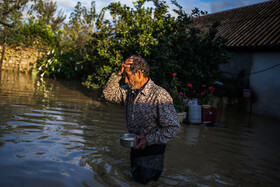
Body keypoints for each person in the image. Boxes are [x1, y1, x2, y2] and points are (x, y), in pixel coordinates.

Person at [103, 55, 180, 184]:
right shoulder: (129, 92)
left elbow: (173, 127)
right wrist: (118, 73)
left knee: (143, 183)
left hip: (152, 154)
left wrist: (148, 140)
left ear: (139, 73)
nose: (126, 81)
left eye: (128, 76)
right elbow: (108, 94)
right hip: (135, 148)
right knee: (135, 181)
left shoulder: (159, 95)